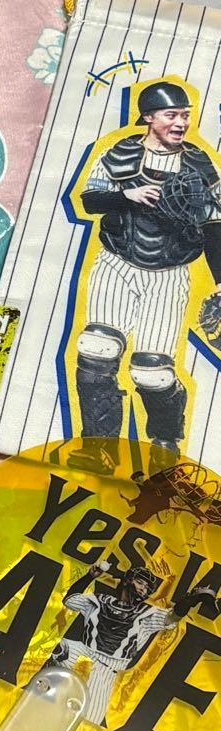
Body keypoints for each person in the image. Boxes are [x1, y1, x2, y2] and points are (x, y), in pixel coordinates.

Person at [72, 79, 221, 458]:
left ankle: (165, 439)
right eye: (171, 115)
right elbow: (89, 200)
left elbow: (214, 224)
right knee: (97, 348)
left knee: (151, 371)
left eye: (185, 115)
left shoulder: (199, 163)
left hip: (169, 273)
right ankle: (98, 447)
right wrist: (126, 195)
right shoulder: (121, 152)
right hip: (117, 262)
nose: (180, 122)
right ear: (149, 117)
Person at [48, 562, 213, 725]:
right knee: (63, 647)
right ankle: (46, 692)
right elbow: (70, 600)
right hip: (84, 653)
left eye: (147, 588)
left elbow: (172, 617)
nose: (143, 589)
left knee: (86, 723)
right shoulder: (100, 600)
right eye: (140, 582)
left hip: (107, 670)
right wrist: (90, 576)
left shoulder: (146, 614)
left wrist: (190, 600)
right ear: (127, 580)